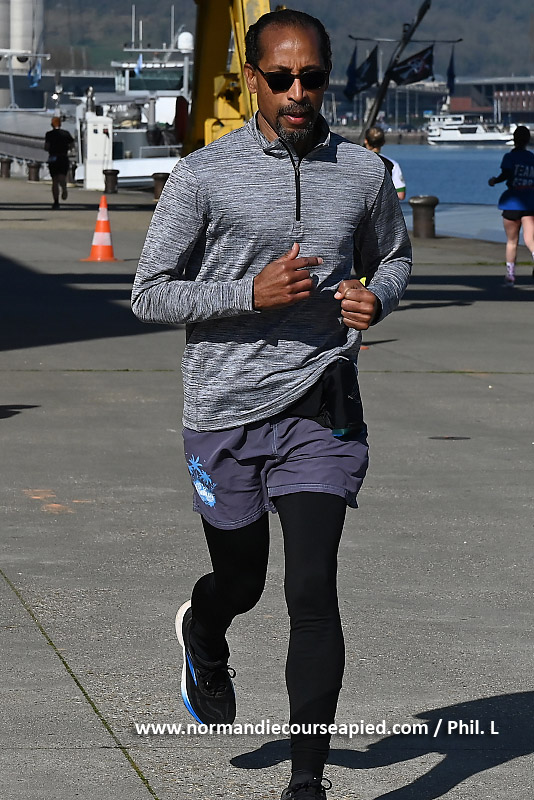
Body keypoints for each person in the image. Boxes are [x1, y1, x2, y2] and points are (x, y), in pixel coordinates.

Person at [132, 9, 411, 800]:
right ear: (252, 78)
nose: (297, 93)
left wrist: (378, 297)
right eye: (281, 78)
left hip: (322, 401)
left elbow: (395, 257)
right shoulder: (202, 176)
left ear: (326, 79)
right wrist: (246, 295)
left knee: (311, 589)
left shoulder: (362, 173)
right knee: (244, 583)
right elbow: (149, 294)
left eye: (311, 78)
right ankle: (205, 629)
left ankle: (306, 783)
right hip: (224, 408)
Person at [489, 125, 534, 286]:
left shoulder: (509, 157)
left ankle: (510, 275)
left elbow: (506, 174)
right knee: (530, 239)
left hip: (512, 202)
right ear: (528, 140)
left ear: (514, 139)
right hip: (530, 201)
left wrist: (494, 181)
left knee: (512, 241)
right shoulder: (532, 158)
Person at [364, 126, 406, 200]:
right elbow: (401, 195)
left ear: (366, 141)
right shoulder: (392, 165)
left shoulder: (355, 161)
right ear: (383, 142)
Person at [44, 116, 74, 209]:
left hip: (53, 157)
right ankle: (64, 188)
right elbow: (72, 145)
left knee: (54, 180)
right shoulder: (66, 133)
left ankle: (56, 202)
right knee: (62, 177)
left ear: (52, 124)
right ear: (60, 124)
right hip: (63, 157)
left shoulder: (49, 134)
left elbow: (46, 147)